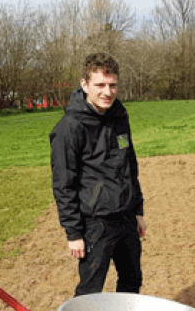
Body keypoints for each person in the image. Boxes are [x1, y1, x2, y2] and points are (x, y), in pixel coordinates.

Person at [50, 52, 146, 297]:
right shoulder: (70, 127)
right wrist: (73, 233)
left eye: (112, 85)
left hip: (125, 218)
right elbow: (63, 184)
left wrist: (137, 210)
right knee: (90, 290)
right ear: (85, 85)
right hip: (96, 223)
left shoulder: (119, 116)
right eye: (100, 85)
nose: (107, 92)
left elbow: (129, 166)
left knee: (132, 280)